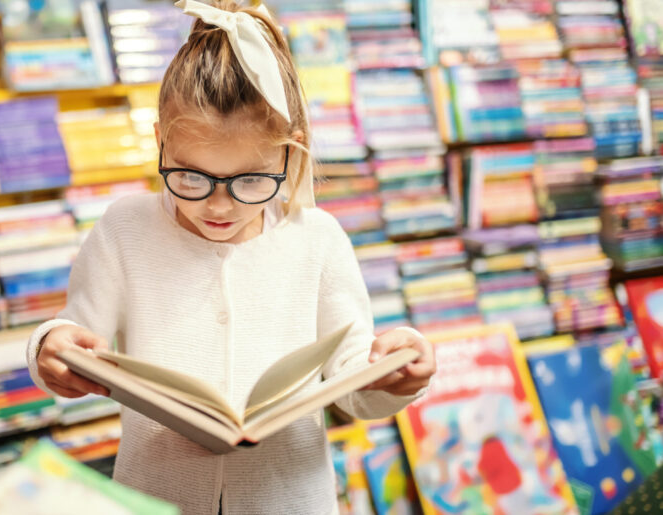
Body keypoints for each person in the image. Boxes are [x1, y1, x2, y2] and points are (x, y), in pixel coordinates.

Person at [26, 1, 436, 513]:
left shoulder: (319, 239)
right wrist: (51, 348)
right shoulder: (124, 230)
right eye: (191, 177)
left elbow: (355, 384)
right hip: (158, 494)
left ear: (292, 154)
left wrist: (396, 371)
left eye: (250, 181)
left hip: (289, 498)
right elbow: (75, 340)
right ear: (160, 143)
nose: (218, 205)